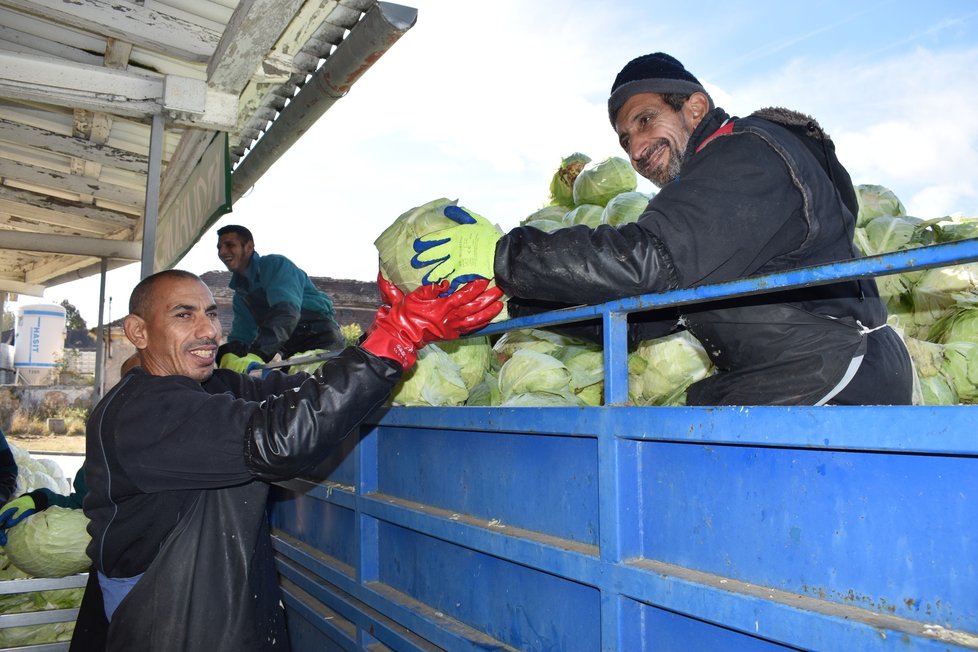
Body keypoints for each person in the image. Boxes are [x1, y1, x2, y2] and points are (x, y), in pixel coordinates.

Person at [414, 52, 913, 406]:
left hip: (836, 379)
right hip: (798, 374)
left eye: (646, 120)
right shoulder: (711, 192)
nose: (635, 149)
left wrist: (504, 257)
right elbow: (644, 317)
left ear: (694, 107)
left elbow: (650, 262)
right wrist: (513, 303)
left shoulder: (747, 153)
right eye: (626, 138)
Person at [72, 269, 502, 651]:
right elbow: (278, 441)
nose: (208, 331)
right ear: (138, 331)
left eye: (211, 314)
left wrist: (380, 342)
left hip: (205, 596)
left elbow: (302, 394)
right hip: (165, 617)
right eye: (184, 315)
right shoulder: (145, 412)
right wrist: (395, 339)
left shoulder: (209, 385)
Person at [215, 224, 345, 373]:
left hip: (320, 342)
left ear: (249, 247)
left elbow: (286, 313)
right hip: (291, 352)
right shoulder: (241, 294)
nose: (222, 252)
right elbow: (243, 335)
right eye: (219, 248)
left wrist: (257, 355)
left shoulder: (275, 265)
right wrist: (229, 355)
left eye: (230, 245)